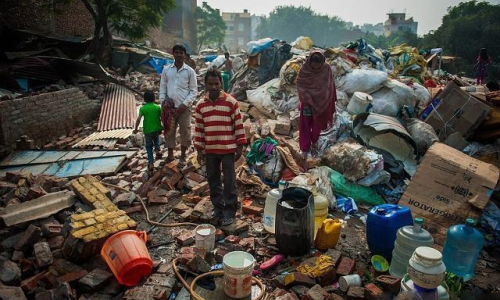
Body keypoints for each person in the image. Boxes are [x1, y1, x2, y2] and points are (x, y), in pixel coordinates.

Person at [194, 69, 247, 227]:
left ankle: (230, 211)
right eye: (210, 84)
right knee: (213, 180)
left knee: (229, 181)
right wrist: (199, 150)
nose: (213, 87)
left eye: (216, 84)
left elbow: (238, 125)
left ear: (221, 84)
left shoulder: (231, 102)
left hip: (227, 149)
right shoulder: (200, 105)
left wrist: (240, 147)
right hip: (210, 150)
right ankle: (218, 208)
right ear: (205, 84)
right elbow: (199, 129)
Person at [159, 44, 198, 163]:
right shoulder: (166, 70)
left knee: (185, 131)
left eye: (181, 53)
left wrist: (184, 104)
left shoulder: (190, 71)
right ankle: (170, 155)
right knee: (169, 131)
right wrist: (163, 102)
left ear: (184, 55)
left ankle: (182, 156)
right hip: (169, 108)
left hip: (184, 108)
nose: (179, 55)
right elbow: (163, 87)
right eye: (177, 52)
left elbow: (193, 91)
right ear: (173, 54)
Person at [296, 51, 336, 158]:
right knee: (305, 125)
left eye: (318, 67)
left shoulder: (326, 69)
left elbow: (329, 86)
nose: (315, 69)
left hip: (321, 103)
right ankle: (304, 148)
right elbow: (300, 83)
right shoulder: (305, 69)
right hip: (307, 102)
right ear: (310, 63)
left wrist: (325, 98)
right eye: (313, 67)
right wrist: (306, 96)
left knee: (317, 125)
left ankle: (314, 142)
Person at [134, 91, 163, 171]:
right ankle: (157, 150)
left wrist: (136, 129)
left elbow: (138, 119)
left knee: (149, 146)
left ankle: (151, 162)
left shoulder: (143, 108)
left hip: (148, 130)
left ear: (145, 100)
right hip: (157, 129)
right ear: (154, 99)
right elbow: (162, 118)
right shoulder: (157, 107)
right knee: (156, 140)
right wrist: (163, 126)